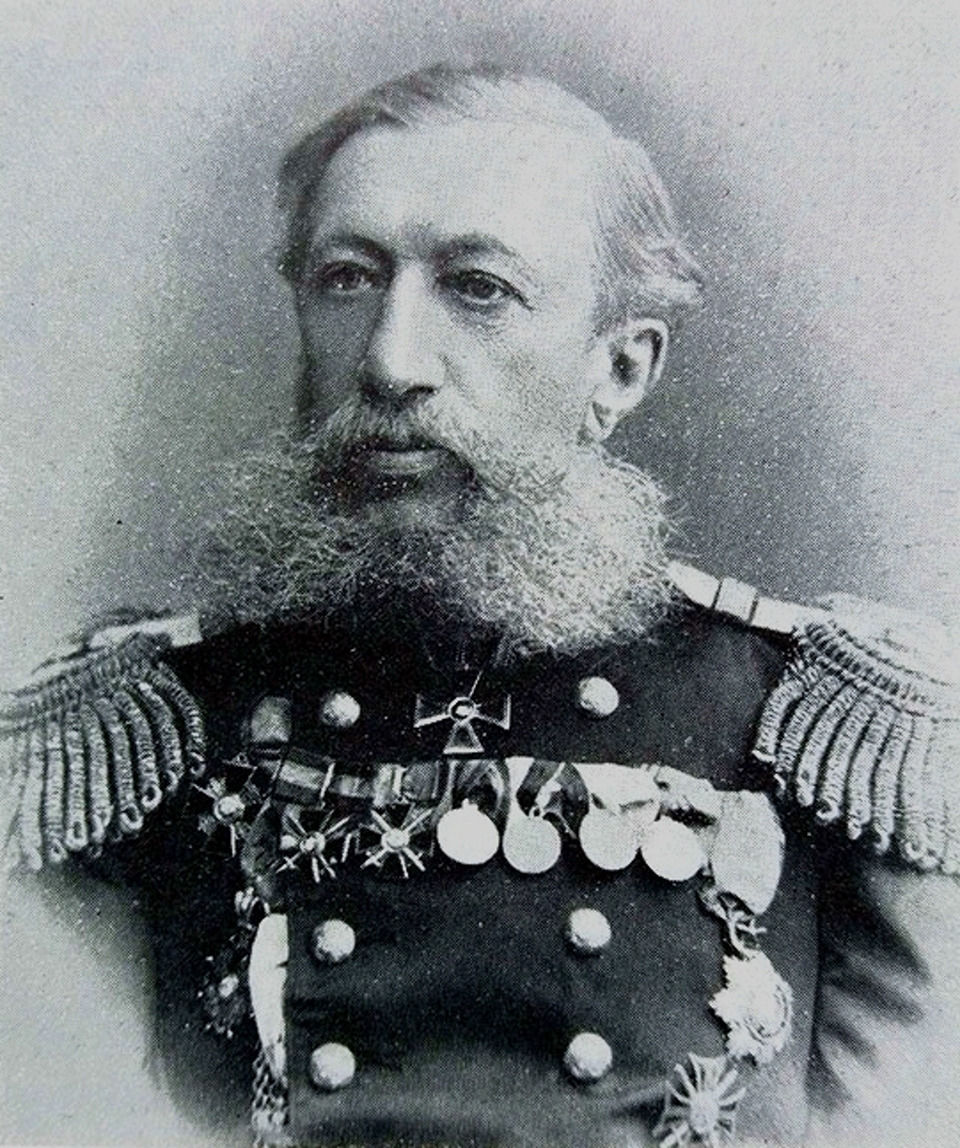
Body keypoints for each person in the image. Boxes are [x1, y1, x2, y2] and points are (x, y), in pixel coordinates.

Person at [2, 63, 959, 1148]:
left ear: (621, 369)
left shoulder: (829, 728)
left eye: (478, 288)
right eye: (348, 279)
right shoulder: (135, 741)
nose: (392, 362)